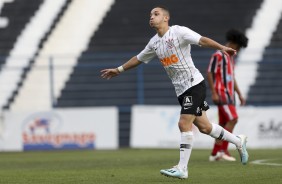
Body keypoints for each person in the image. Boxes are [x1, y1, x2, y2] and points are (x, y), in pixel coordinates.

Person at [101, 6, 248, 179]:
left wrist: (222, 47)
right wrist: (118, 70)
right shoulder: (154, 42)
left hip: (194, 84)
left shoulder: (179, 32)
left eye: (156, 14)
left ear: (165, 18)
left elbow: (202, 40)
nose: (151, 17)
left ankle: (182, 168)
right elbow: (138, 58)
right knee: (205, 127)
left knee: (183, 123)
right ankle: (239, 141)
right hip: (182, 91)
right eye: (150, 15)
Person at [207, 29, 248, 162]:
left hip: (230, 95)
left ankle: (215, 153)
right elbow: (209, 73)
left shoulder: (231, 58)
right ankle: (223, 151)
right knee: (233, 118)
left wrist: (240, 94)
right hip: (221, 93)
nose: (239, 49)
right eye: (239, 46)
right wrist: (213, 92)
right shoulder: (218, 55)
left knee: (223, 123)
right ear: (234, 43)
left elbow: (232, 78)